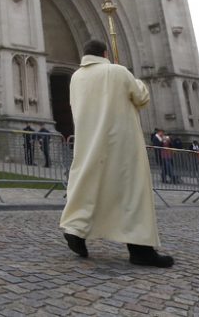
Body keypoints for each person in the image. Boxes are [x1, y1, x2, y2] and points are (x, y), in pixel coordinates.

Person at [60, 38, 174, 268]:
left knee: (88, 185)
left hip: (89, 141)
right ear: (105, 54)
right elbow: (141, 98)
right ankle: (141, 249)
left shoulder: (76, 77)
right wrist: (136, 80)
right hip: (119, 142)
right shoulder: (118, 72)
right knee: (131, 191)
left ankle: (76, 230)